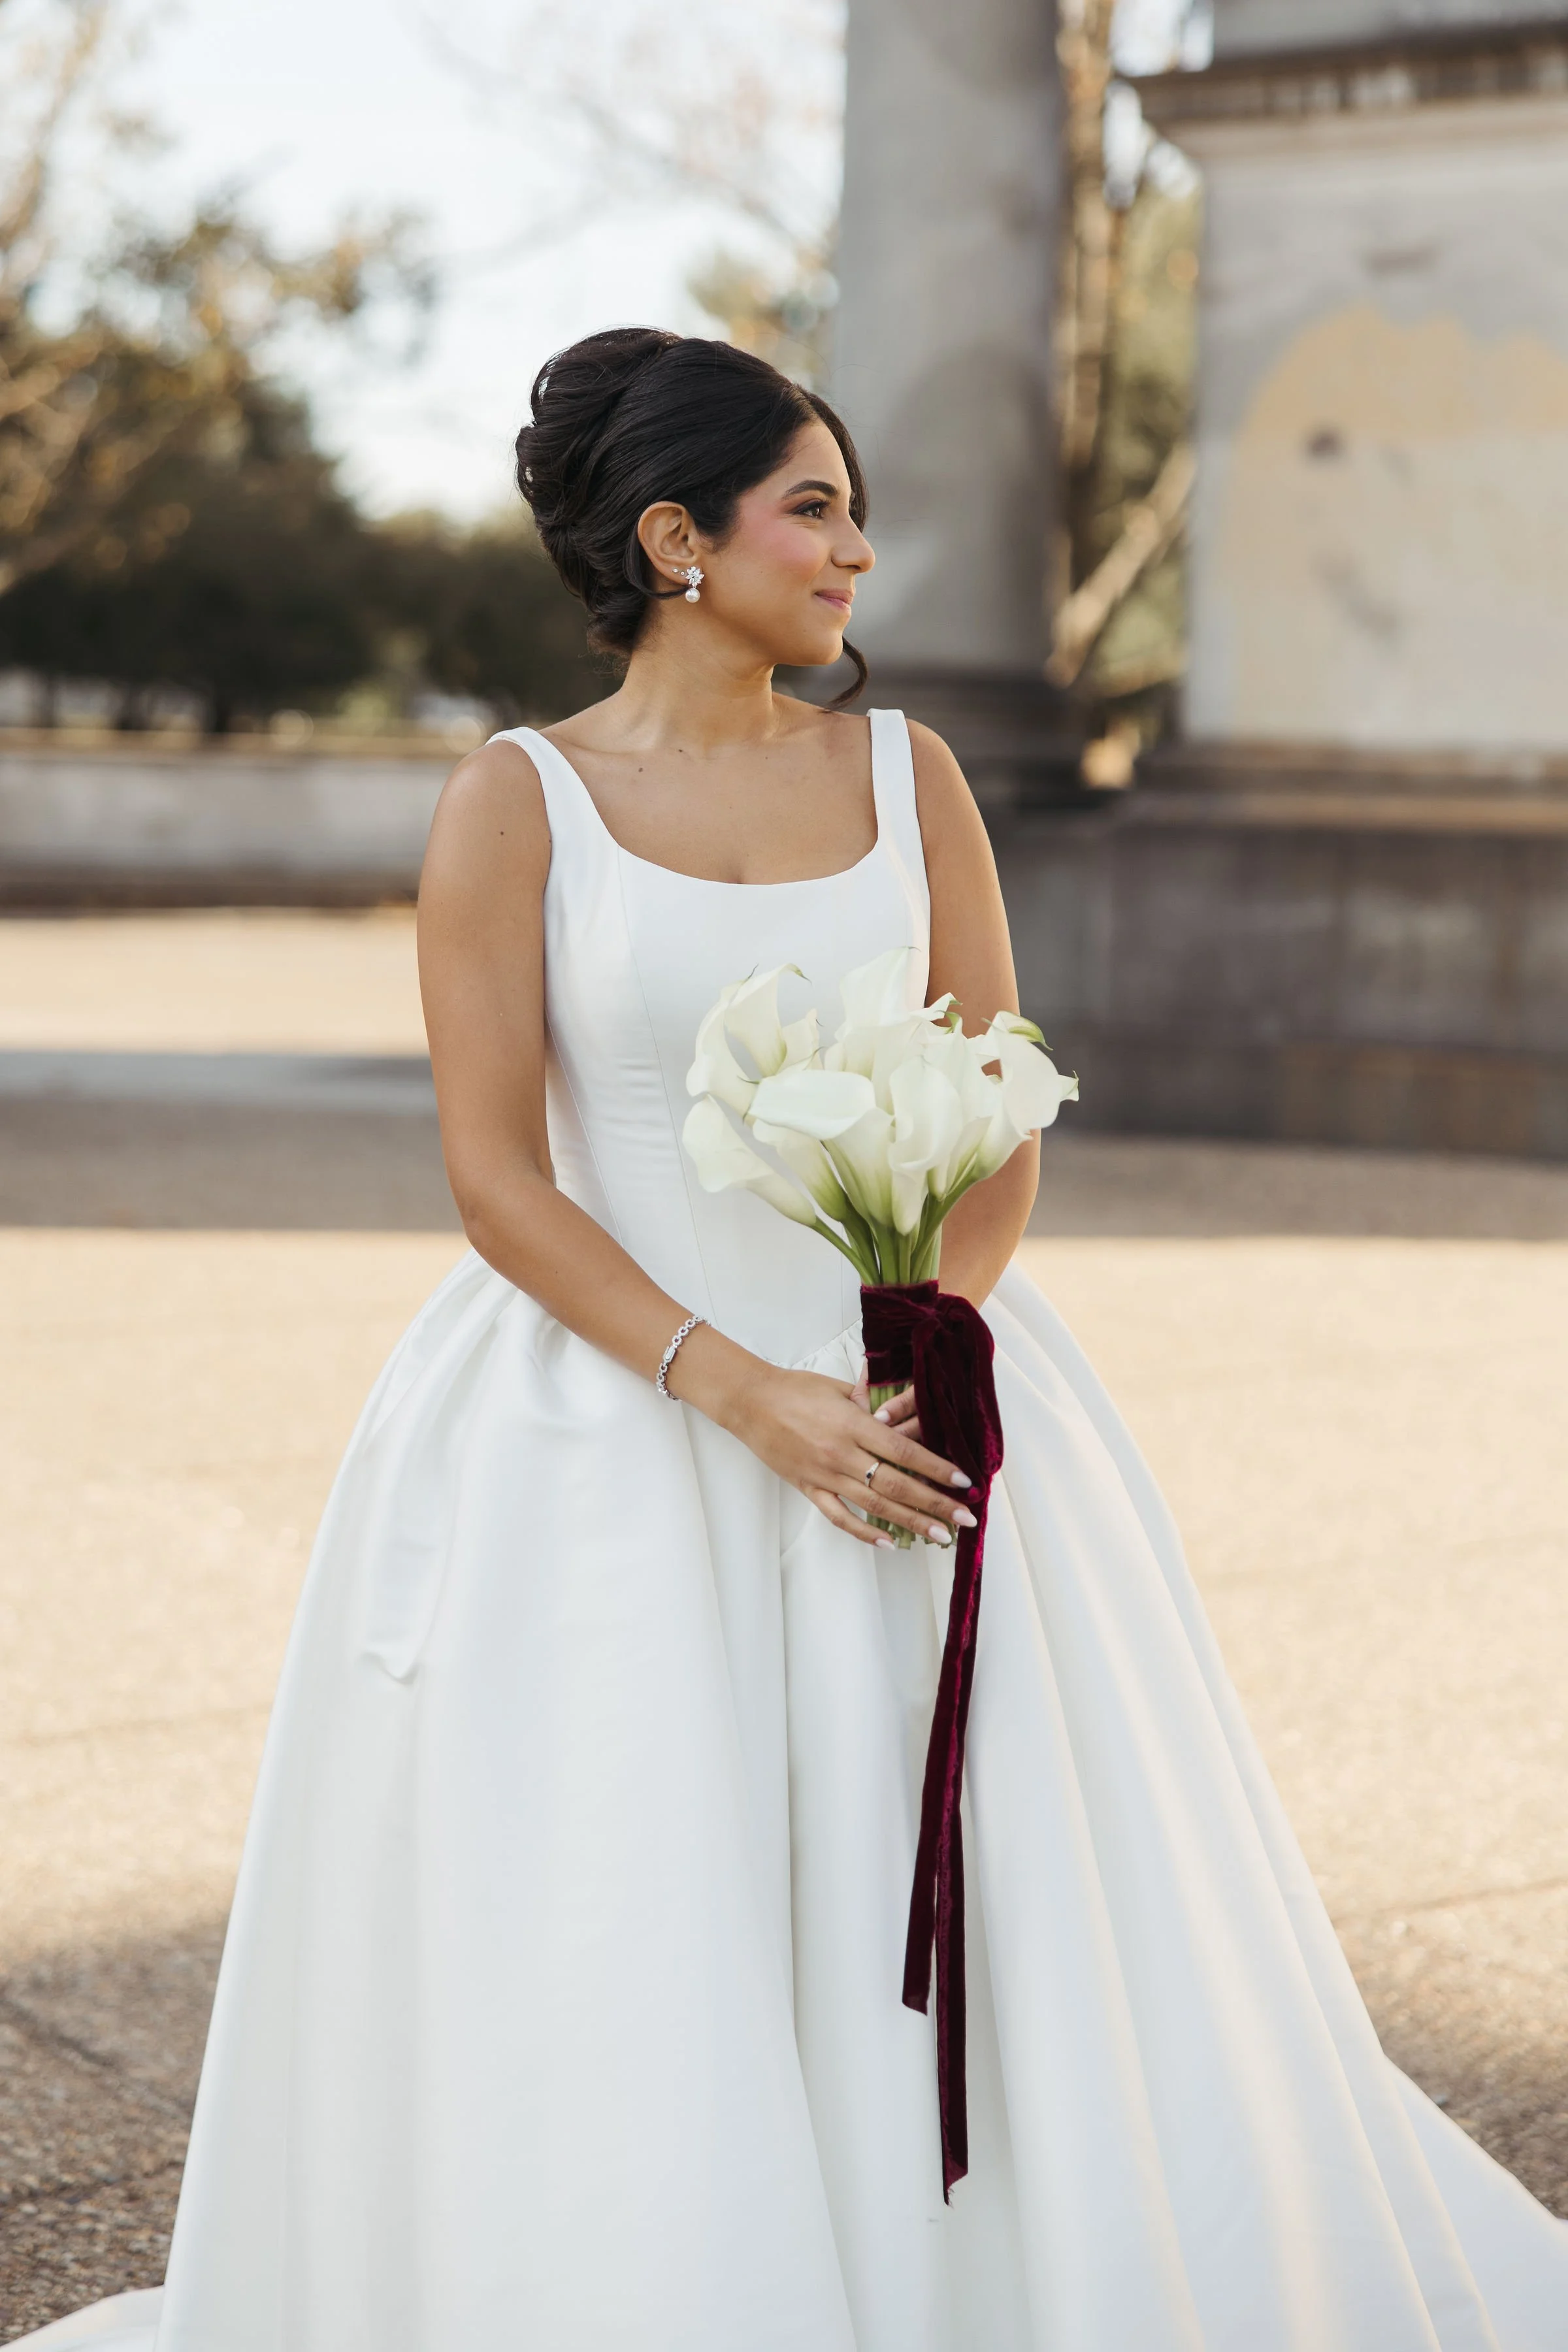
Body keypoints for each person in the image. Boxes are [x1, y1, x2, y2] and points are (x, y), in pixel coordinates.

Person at [26, 329, 1568, 2352]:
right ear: (677, 539)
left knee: (971, 1897)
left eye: (855, 506)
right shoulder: (515, 807)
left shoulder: (908, 773)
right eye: (812, 506)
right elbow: (499, 1181)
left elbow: (1000, 1088)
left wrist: (936, 1329)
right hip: (609, 1413)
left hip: (901, 1404)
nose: (858, 548)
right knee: (630, 1898)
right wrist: (736, 1387)